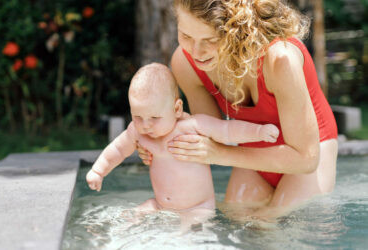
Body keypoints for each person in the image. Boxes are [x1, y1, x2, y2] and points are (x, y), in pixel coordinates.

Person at [137, 0, 338, 218]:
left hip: (309, 152)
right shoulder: (185, 63)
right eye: (186, 36)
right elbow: (210, 136)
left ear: (239, 30)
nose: (196, 51)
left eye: (210, 40)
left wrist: (220, 154)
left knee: (276, 226)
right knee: (239, 226)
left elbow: (306, 158)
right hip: (252, 153)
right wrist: (160, 139)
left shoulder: (281, 60)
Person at [86, 63, 280, 227]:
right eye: (138, 116)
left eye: (154, 117)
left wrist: (258, 132)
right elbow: (118, 149)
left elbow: (227, 130)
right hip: (160, 205)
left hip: (199, 208)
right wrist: (98, 171)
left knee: (186, 235)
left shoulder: (193, 126)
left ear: (177, 109)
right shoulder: (137, 132)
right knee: (130, 217)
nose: (146, 125)